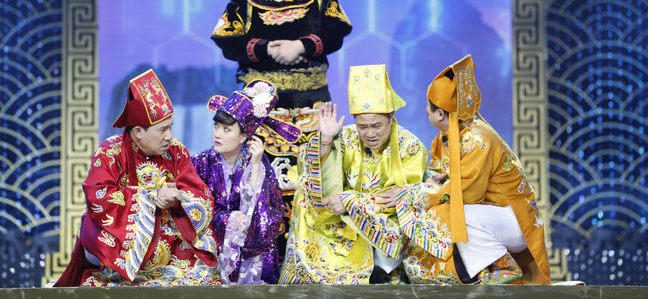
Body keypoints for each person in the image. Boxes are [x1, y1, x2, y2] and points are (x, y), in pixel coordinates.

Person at [211, 0, 352, 258]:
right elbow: (226, 40)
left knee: (315, 178)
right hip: (260, 112)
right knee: (261, 182)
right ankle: (263, 256)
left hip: (311, 103)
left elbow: (337, 31)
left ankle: (317, 256)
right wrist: (266, 49)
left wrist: (302, 46)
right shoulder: (244, 1)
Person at [52, 69, 221, 286]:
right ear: (139, 132)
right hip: (122, 242)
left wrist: (179, 198)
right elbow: (99, 198)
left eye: (170, 127)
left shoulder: (176, 151)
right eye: (162, 130)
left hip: (169, 242)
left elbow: (200, 193)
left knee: (203, 273)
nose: (169, 137)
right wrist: (151, 198)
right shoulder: (110, 152)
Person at [394, 54, 551, 284]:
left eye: (428, 105)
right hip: (489, 216)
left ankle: (500, 269)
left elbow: (467, 193)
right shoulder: (446, 136)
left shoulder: (478, 139)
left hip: (512, 218)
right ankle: (472, 273)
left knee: (457, 214)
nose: (425, 110)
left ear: (440, 114)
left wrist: (417, 195)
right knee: (438, 211)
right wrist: (431, 184)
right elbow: (437, 172)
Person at [279, 65, 428, 284]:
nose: (369, 134)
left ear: (391, 117)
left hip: (380, 219)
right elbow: (314, 176)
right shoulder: (347, 136)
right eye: (362, 126)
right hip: (342, 219)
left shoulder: (411, 147)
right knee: (304, 194)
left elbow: (401, 198)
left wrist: (350, 203)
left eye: (376, 125)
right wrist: (326, 141)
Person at [191, 79, 301, 284]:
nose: (217, 134)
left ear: (243, 137)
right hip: (211, 245)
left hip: (249, 251)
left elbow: (266, 218)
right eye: (216, 126)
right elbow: (193, 208)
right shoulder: (201, 162)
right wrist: (231, 221)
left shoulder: (258, 162)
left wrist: (256, 166)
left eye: (226, 129)